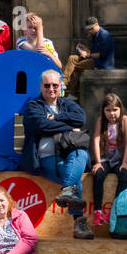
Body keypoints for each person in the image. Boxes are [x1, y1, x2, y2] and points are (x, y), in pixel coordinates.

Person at [22, 69, 94, 240]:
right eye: (47, 85)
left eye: (55, 85)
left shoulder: (67, 104)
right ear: (41, 86)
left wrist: (54, 118)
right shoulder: (33, 106)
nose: (51, 89)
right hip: (46, 158)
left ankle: (67, 191)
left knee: (81, 155)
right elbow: (40, 125)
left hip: (68, 152)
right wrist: (68, 126)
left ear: (61, 86)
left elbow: (81, 119)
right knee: (74, 178)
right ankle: (79, 221)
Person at [90, 92, 127, 227]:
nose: (112, 114)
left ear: (120, 109)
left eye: (115, 110)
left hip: (120, 158)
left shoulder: (125, 120)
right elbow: (96, 140)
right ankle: (97, 211)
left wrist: (125, 162)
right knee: (98, 174)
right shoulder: (101, 121)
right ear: (103, 111)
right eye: (108, 110)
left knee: (124, 175)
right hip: (105, 158)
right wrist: (97, 162)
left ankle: (114, 210)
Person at [62, 15, 115, 98]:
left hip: (102, 63)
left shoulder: (104, 35)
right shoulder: (95, 35)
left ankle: (70, 92)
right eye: (88, 29)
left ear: (97, 24)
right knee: (72, 58)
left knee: (75, 67)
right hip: (93, 59)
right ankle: (64, 83)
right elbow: (94, 52)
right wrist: (85, 49)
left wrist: (87, 54)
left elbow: (103, 54)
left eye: (91, 28)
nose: (90, 31)